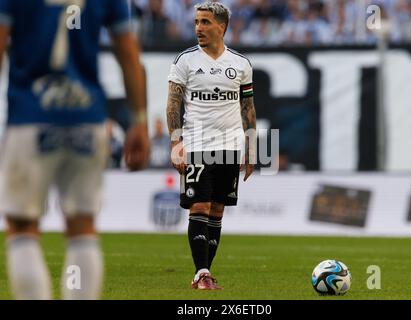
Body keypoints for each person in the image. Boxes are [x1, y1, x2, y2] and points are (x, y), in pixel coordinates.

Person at [0, 0, 150, 300]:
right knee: (82, 225)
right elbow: (128, 51)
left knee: (22, 227)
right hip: (87, 116)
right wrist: (140, 120)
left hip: (31, 114)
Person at [166, 1, 256, 290]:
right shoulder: (186, 61)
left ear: (222, 26)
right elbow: (173, 104)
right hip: (197, 144)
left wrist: (251, 147)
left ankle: (205, 273)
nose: (198, 28)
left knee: (218, 210)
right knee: (200, 206)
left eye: (205, 22)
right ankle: (201, 272)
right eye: (196, 22)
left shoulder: (240, 64)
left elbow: (248, 107)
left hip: (230, 146)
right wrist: (176, 142)